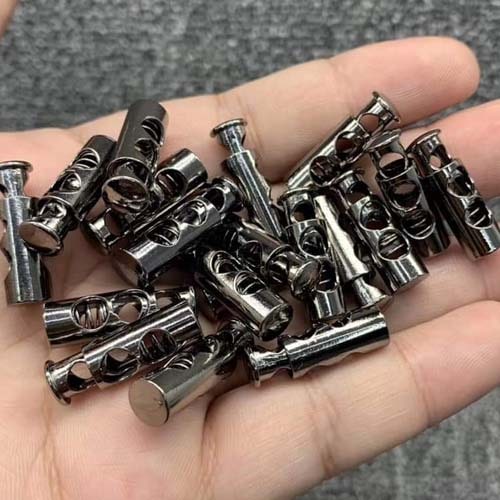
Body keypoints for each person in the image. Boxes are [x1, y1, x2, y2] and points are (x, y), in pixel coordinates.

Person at [0, 2, 499, 498]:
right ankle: (73, 370)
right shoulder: (184, 249)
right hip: (184, 285)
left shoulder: (263, 238)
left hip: (227, 290)